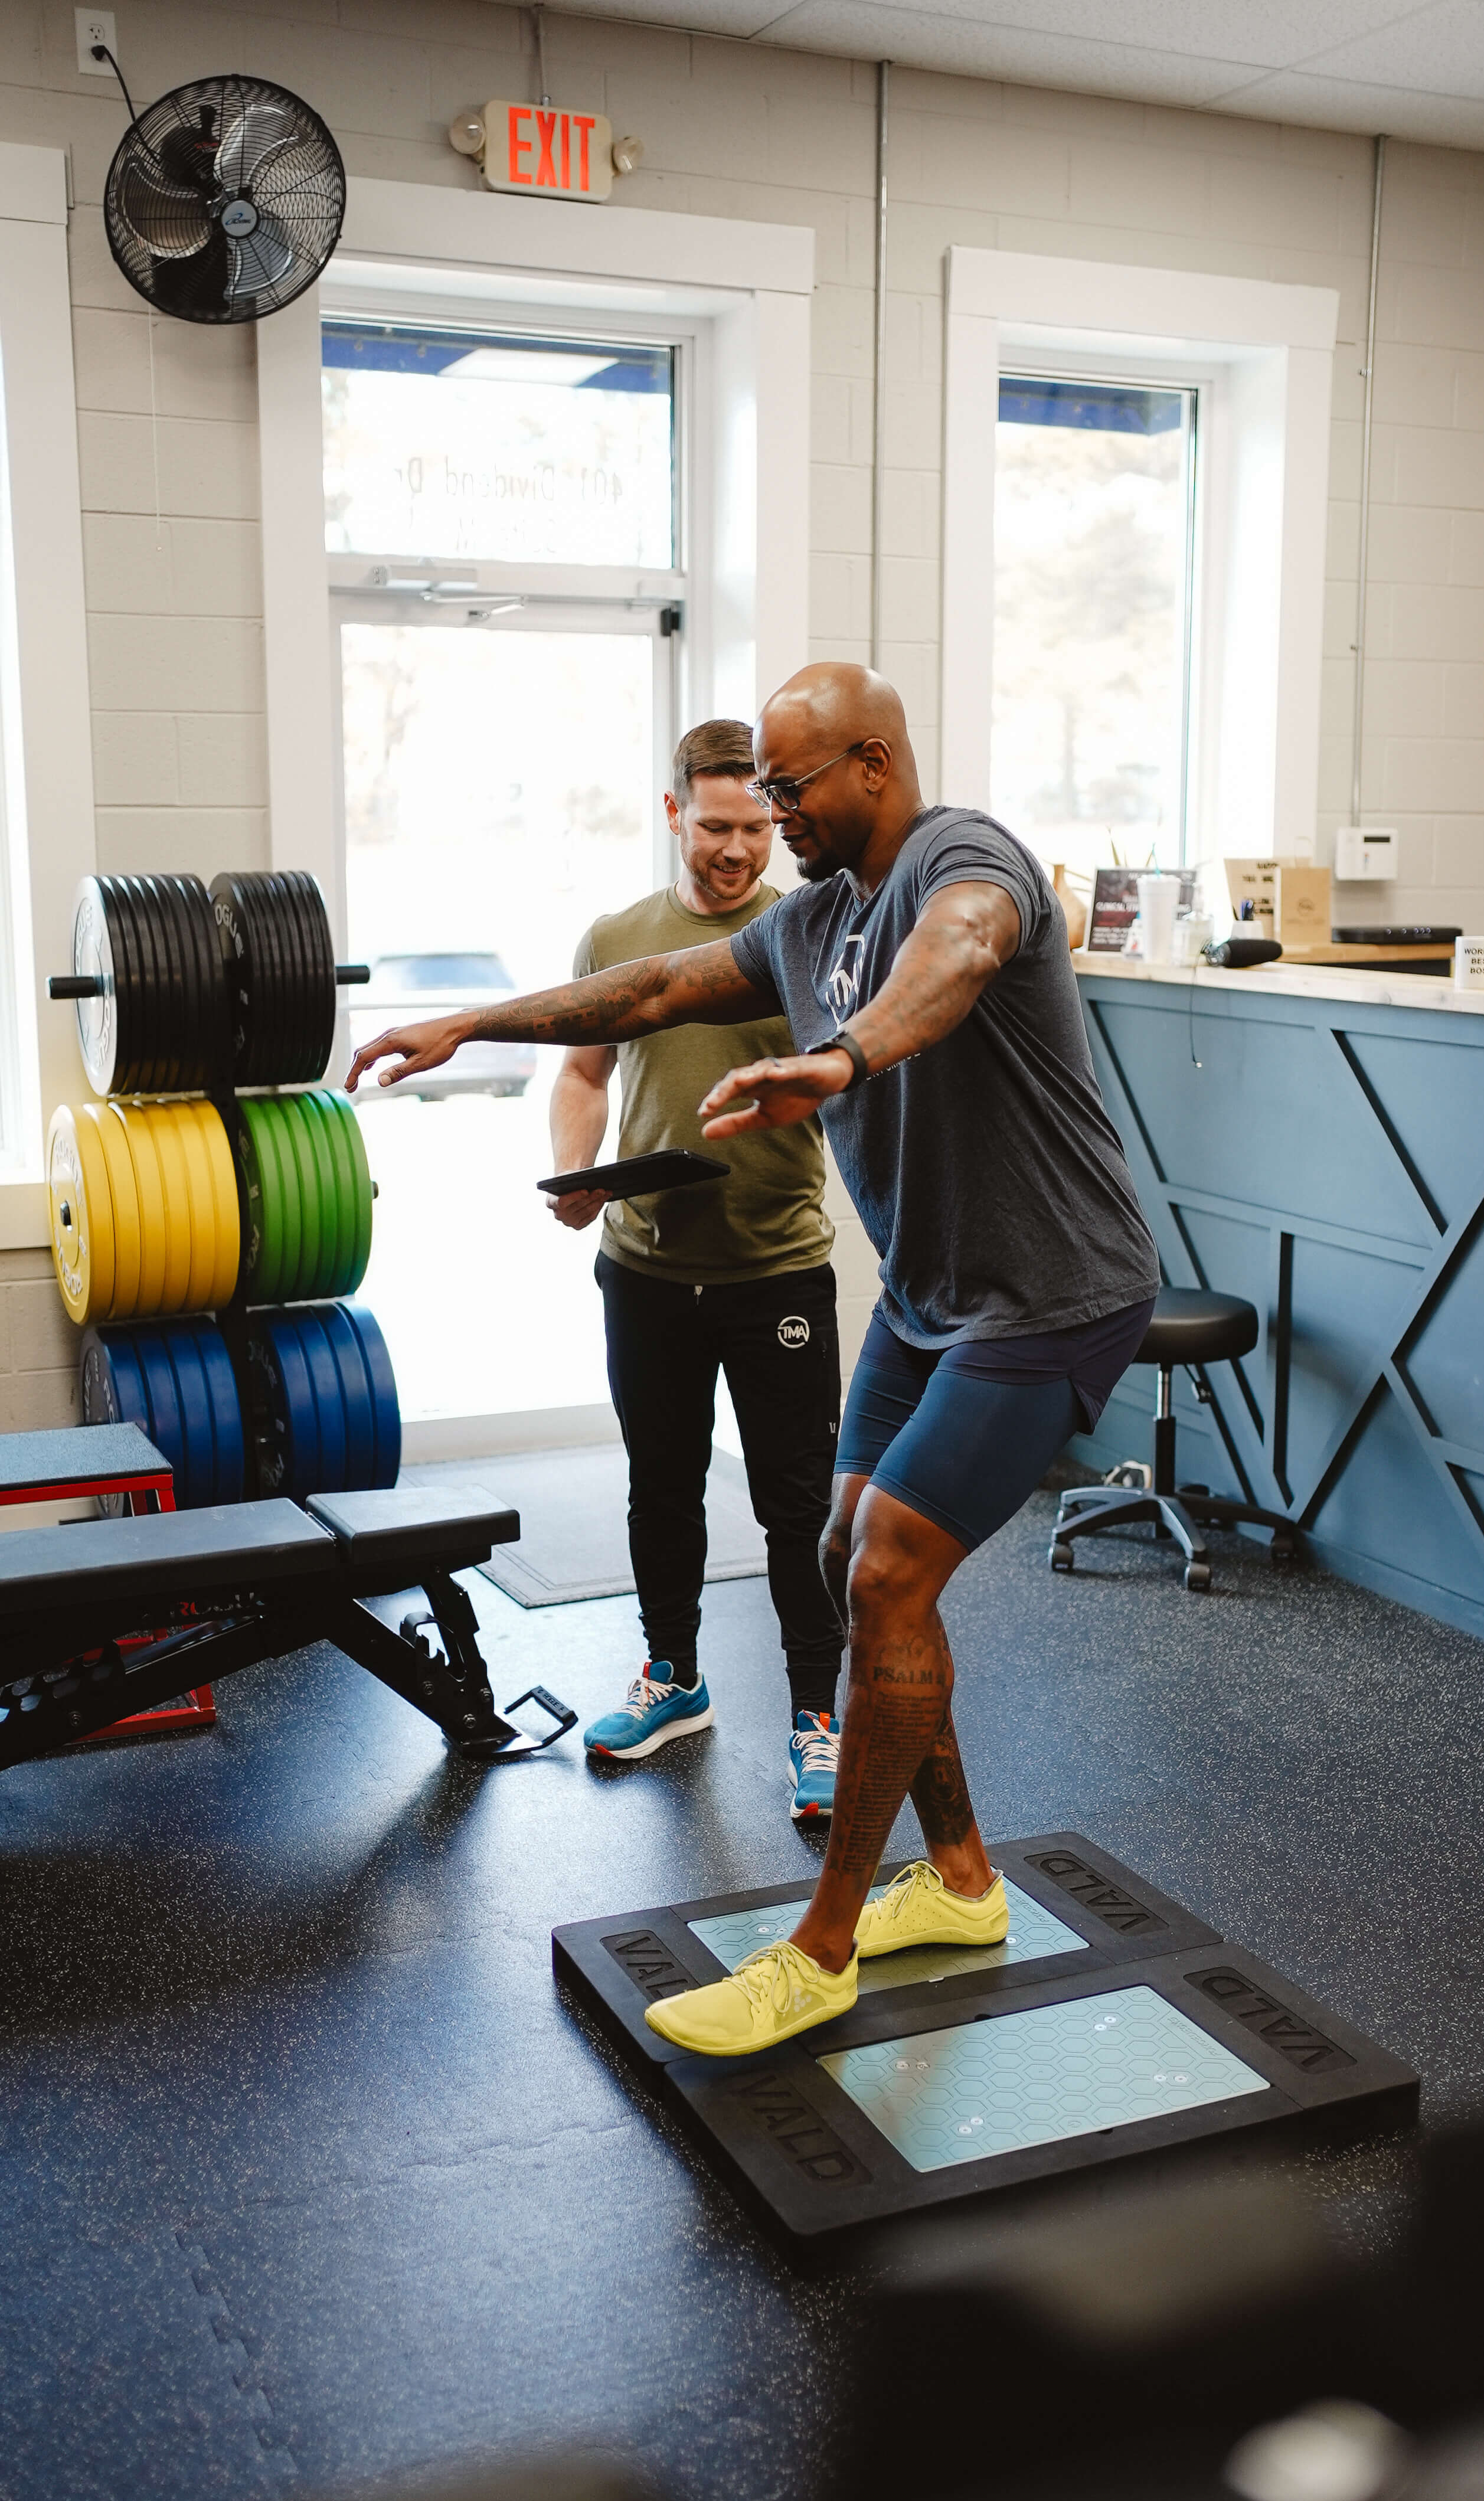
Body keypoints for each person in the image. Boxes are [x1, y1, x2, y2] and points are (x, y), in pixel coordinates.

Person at [347, 663, 1159, 2059]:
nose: (774, 813)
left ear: (874, 765)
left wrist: (841, 1063)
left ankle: (823, 1947)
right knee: (850, 1555)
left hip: (1052, 1295)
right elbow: (655, 983)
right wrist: (469, 1021)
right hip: (928, 1297)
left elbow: (959, 953)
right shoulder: (811, 922)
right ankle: (963, 1883)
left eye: (793, 787)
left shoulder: (964, 860)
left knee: (892, 1564)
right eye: (762, 791)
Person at [548, 719, 846, 1820]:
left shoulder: (809, 932)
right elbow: (582, 1074)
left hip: (777, 1269)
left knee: (797, 1506)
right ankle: (673, 1678)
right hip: (647, 1271)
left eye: (757, 828)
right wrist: (575, 1173)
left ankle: (817, 1715)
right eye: (716, 826)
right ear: (674, 812)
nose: (737, 850)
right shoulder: (618, 935)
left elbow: (861, 1074)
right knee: (661, 1485)